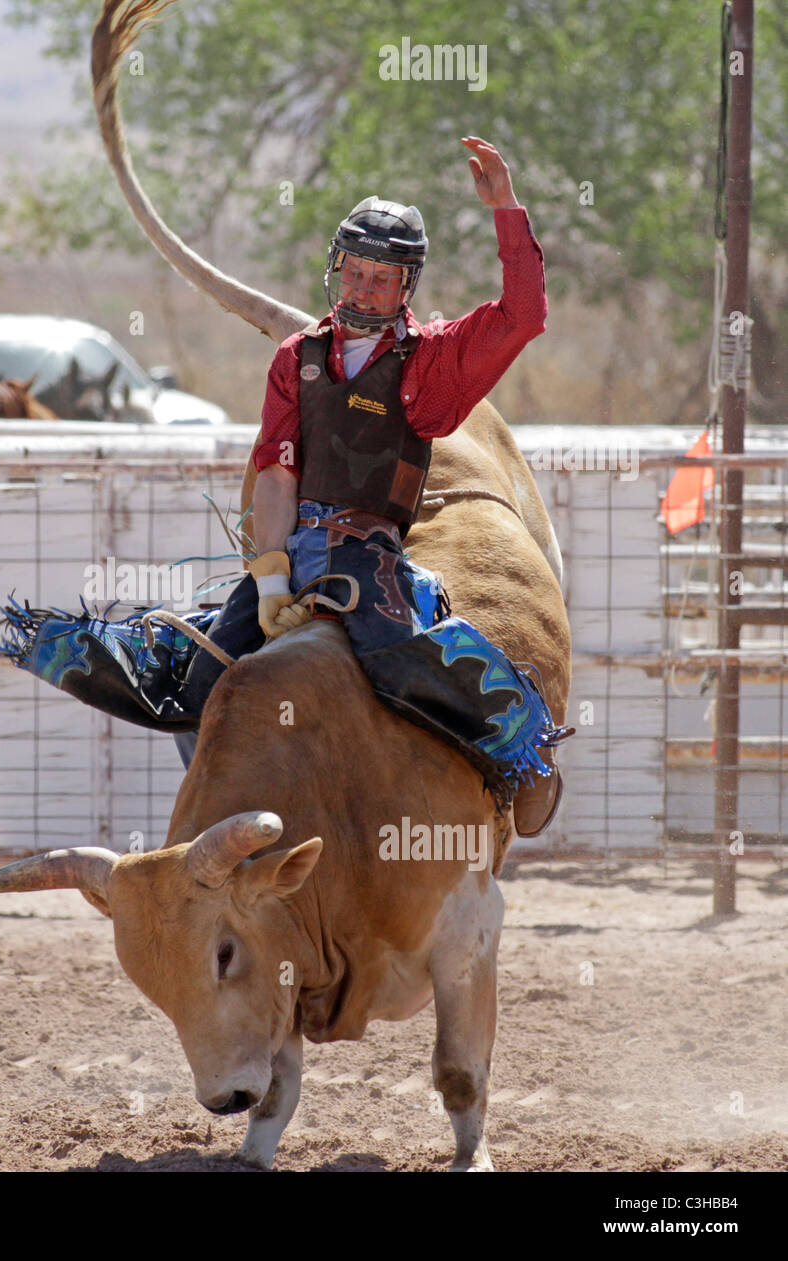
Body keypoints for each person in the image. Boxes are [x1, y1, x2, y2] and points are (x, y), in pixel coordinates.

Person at [179, 136, 568, 833]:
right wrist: (269, 580)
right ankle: (221, 825)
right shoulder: (296, 358)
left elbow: (523, 316)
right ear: (335, 270)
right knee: (196, 680)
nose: (361, 288)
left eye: (378, 278)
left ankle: (523, 744)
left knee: (403, 659)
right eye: (353, 272)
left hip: (370, 556)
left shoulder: (431, 361)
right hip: (293, 549)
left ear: (404, 287)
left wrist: (506, 209)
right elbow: (275, 468)